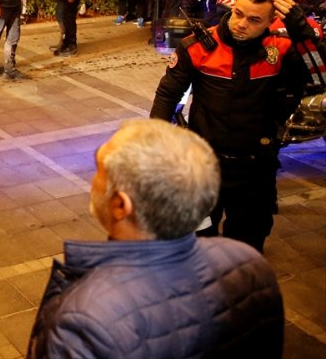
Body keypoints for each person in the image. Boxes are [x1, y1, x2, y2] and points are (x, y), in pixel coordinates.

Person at [27, 119, 284, 359]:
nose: (93, 182)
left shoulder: (84, 319)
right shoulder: (248, 262)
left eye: (99, 171)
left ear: (120, 205)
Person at [151, 0, 313, 252]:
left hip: (254, 167)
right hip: (205, 165)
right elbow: (167, 94)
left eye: (254, 20)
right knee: (197, 239)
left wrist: (304, 37)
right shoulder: (198, 47)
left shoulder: (281, 49)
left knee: (248, 242)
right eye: (238, 13)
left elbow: (318, 79)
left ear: (271, 21)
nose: (241, 24)